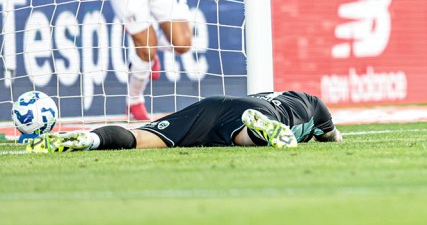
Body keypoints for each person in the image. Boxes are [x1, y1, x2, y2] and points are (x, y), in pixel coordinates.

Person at [27, 90, 341, 152]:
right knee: (244, 135)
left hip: (218, 105)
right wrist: (324, 135)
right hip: (267, 117)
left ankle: (90, 139)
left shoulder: (274, 94)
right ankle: (257, 131)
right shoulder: (314, 105)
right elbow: (332, 137)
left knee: (144, 137)